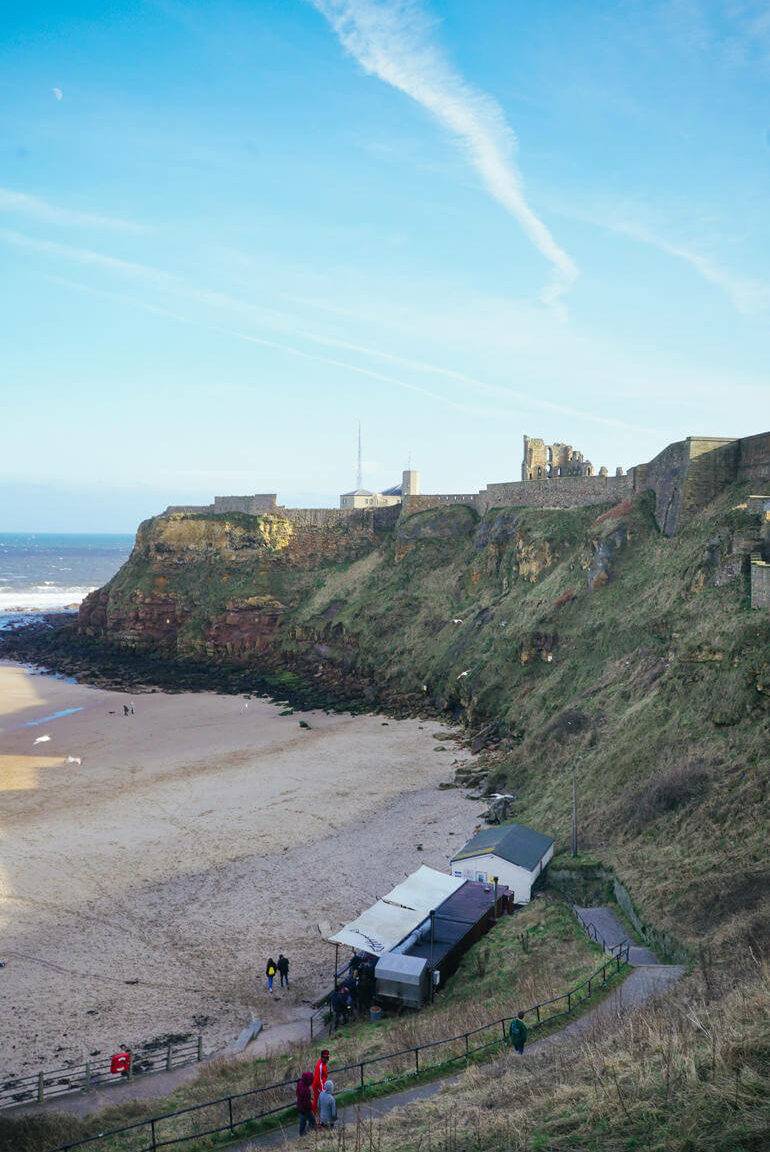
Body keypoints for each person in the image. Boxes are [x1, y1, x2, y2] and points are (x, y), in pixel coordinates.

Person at [296, 1070, 315, 1136]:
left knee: (303, 1121)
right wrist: (310, 1106)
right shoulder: (305, 1090)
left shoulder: (300, 1083)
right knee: (310, 1119)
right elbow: (306, 1101)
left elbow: (301, 1096)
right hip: (305, 1108)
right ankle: (311, 1131)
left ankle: (302, 1132)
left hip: (300, 1106)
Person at [311, 1049, 329, 1114]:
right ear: (321, 1057)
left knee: (317, 1099)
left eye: (327, 1057)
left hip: (320, 1084)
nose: (326, 1059)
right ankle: (314, 1113)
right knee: (317, 1100)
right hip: (317, 1085)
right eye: (324, 1057)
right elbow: (319, 1079)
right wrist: (322, 1089)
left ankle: (316, 1112)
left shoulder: (323, 1063)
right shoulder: (320, 1066)